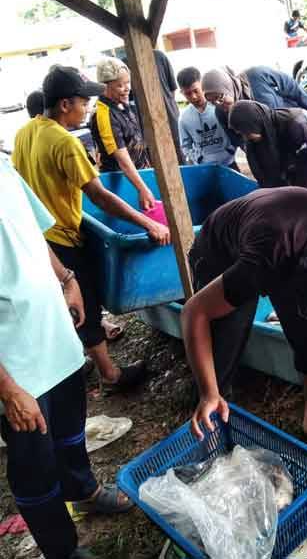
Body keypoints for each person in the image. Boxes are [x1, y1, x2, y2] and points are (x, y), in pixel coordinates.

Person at [0, 153, 134, 559]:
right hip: (16, 365)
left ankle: (84, 490)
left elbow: (31, 232)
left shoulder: (3, 168)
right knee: (34, 465)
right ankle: (62, 550)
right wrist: (8, 392)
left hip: (53, 335)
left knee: (71, 427)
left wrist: (66, 278)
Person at [180, 187, 307, 459]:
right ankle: (212, 413)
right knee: (224, 337)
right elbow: (193, 313)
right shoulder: (267, 260)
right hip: (220, 249)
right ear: (289, 285)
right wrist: (209, 392)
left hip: (278, 235)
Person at [12, 66, 168, 394]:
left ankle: (80, 355)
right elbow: (98, 195)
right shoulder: (64, 142)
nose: (87, 109)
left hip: (38, 237)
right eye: (84, 102)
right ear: (65, 104)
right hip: (62, 237)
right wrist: (148, 222)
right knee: (87, 302)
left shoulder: (26, 132)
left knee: (65, 304)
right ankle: (109, 375)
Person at [228, 101, 307, 199]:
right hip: (299, 151)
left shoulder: (294, 123)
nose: (245, 137)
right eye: (241, 133)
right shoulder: (256, 137)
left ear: (253, 123)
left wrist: (294, 199)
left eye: (245, 132)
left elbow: (303, 171)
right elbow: (265, 176)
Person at [89, 57, 157, 211]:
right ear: (104, 87)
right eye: (120, 85)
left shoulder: (123, 104)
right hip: (123, 183)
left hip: (141, 175)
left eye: (128, 83)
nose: (127, 89)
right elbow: (122, 159)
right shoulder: (103, 114)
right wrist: (142, 189)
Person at [176, 66, 240, 170]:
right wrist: (198, 158)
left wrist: (231, 150)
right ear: (182, 93)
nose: (194, 97)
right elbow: (185, 146)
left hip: (229, 163)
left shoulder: (220, 106)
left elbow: (235, 131)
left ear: (202, 85)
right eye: (188, 93)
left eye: (196, 90)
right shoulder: (183, 118)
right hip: (204, 168)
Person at [202, 65, 307, 118]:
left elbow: (290, 85)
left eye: (220, 97)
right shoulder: (221, 113)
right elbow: (238, 140)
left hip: (295, 123)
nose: (218, 104)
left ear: (227, 87)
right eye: (212, 102)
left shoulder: (257, 75)